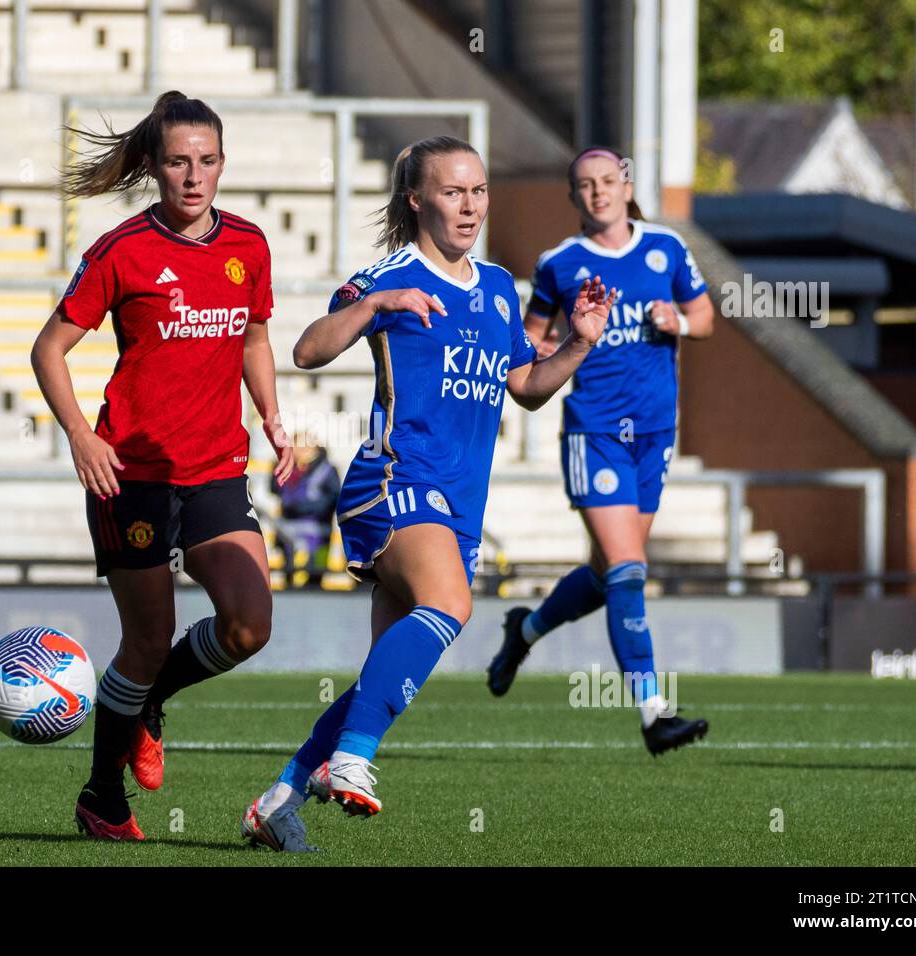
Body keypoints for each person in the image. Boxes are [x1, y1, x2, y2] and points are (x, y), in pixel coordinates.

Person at [240, 135, 616, 852]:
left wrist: (577, 342)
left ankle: (277, 801)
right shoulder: (391, 276)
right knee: (449, 605)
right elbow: (309, 349)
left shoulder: (500, 288)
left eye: (478, 191)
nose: (470, 204)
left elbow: (527, 388)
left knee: (384, 684)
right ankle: (347, 764)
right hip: (393, 480)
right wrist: (376, 303)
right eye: (453, 191)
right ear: (417, 199)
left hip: (458, 503)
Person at [31, 91, 294, 841]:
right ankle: (101, 799)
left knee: (249, 625)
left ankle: (149, 700)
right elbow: (48, 350)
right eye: (178, 161)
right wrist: (82, 435)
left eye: (208, 161)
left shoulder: (247, 244)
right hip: (133, 475)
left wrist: (272, 416)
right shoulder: (123, 251)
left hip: (213, 468)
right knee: (145, 642)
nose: (194, 175)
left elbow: (252, 340)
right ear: (152, 164)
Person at [485, 146, 715, 756]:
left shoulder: (665, 247)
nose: (598, 193)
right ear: (573, 196)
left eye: (607, 181)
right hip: (595, 432)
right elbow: (526, 342)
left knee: (606, 572)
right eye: (584, 185)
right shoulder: (561, 263)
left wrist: (680, 323)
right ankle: (653, 713)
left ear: (625, 184)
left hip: (656, 434)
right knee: (628, 571)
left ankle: (525, 629)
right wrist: (562, 344)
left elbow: (706, 315)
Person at [269, 435, 339, 586]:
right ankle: (290, 584)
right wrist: (281, 465)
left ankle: (315, 585)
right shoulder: (289, 467)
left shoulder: (327, 470)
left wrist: (303, 507)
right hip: (288, 528)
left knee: (317, 570)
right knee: (289, 569)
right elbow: (275, 488)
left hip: (319, 530)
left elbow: (332, 498)